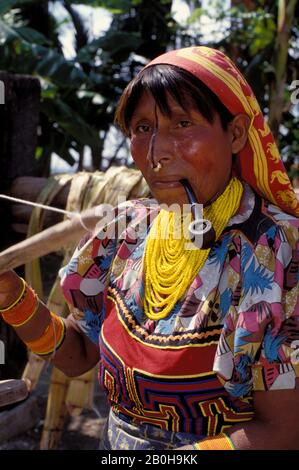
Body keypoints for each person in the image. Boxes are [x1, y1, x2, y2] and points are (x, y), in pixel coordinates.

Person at [0, 46, 299, 450]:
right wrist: (12, 297)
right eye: (143, 128)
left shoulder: (276, 251)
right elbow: (79, 354)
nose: (157, 152)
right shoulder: (125, 230)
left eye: (182, 123)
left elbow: (282, 432)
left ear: (235, 133)